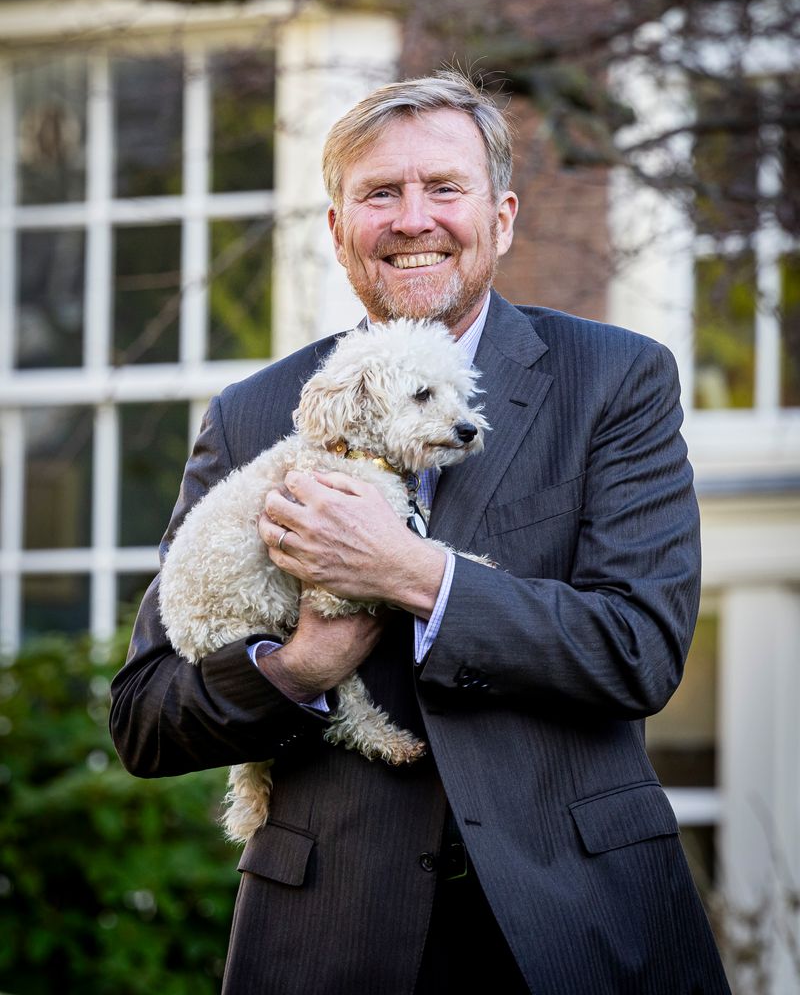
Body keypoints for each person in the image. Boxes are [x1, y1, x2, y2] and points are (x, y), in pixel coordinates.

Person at [110, 71, 731, 994]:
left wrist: (417, 575)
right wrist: (300, 670)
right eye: (379, 194)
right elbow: (146, 720)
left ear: (503, 216)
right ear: (337, 229)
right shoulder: (254, 413)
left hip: (582, 927)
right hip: (328, 936)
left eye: (444, 188)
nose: (413, 219)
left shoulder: (616, 379)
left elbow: (638, 650)